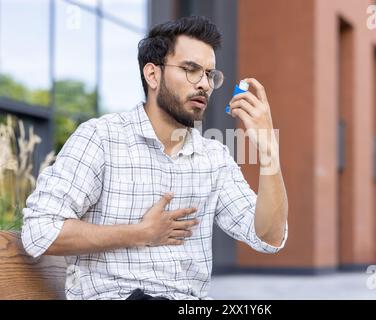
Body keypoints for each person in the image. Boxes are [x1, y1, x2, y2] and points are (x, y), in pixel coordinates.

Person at [21, 16, 288, 300]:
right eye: (190, 69)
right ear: (153, 75)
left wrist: (268, 150)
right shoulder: (101, 138)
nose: (204, 84)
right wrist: (140, 233)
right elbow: (39, 231)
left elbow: (268, 237)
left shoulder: (214, 157)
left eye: (210, 75)